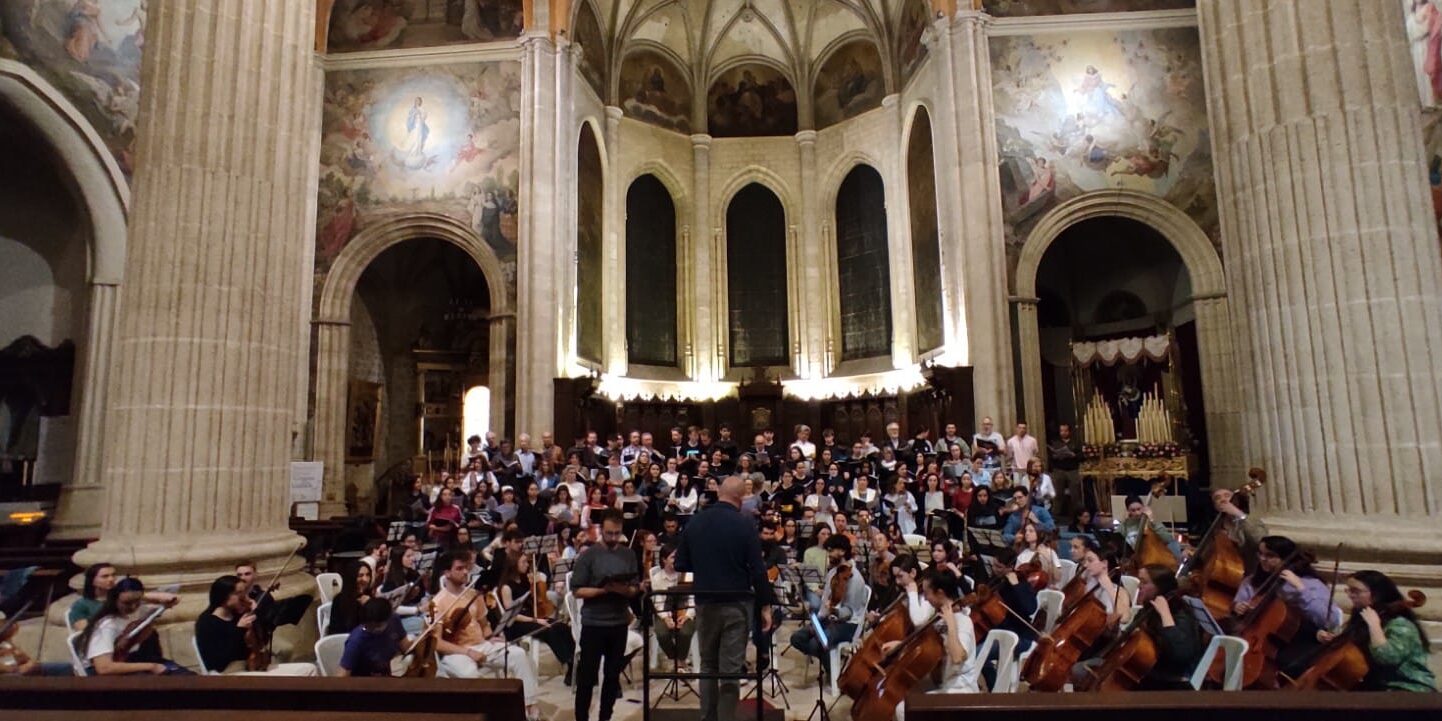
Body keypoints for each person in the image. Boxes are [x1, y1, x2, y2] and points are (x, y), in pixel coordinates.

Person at [676, 476, 775, 721]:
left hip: (705, 603)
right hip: (736, 605)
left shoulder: (696, 522)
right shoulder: (744, 525)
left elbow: (681, 563)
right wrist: (765, 605)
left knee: (708, 666)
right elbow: (758, 569)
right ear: (739, 499)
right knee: (729, 671)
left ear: (720, 492)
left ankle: (706, 718)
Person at [432, 551, 540, 718]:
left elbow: (484, 625)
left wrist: (492, 637)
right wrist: (468, 652)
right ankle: (487, 715)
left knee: (518, 654)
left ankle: (529, 707)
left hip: (481, 645)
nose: (465, 572)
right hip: (456, 653)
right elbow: (437, 643)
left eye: (466, 568)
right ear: (447, 573)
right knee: (470, 674)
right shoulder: (438, 602)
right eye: (459, 569)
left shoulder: (474, 594)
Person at [571, 510, 642, 721]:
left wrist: (625, 590)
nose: (612, 538)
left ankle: (605, 716)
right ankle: (581, 717)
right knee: (587, 677)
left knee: (612, 677)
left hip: (618, 622)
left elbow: (634, 588)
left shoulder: (628, 554)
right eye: (609, 533)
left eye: (617, 534)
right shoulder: (589, 555)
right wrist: (604, 590)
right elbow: (577, 590)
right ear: (601, 530)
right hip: (594, 623)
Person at [1315, 570, 1436, 692]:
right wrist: (1333, 639)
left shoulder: (1401, 626)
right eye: (1348, 590)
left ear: (1377, 594)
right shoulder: (1360, 619)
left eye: (1355, 591)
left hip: (1408, 690)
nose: (1350, 595)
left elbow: (1386, 658)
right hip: (1377, 688)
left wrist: (1374, 626)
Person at [1230, 535, 1331, 678]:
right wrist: (1237, 607)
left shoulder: (1312, 585)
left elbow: (1323, 618)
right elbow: (1237, 603)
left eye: (1270, 556)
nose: (1263, 559)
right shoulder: (1252, 581)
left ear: (1286, 559)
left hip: (1296, 641)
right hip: (1252, 634)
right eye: (1261, 554)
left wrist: (1301, 589)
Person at [892, 568, 979, 720]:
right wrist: (901, 645)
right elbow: (926, 646)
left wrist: (951, 623)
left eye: (927, 593)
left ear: (939, 593)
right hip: (944, 684)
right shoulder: (938, 619)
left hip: (961, 691)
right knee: (904, 697)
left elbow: (958, 657)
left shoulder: (963, 622)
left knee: (903, 709)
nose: (925, 598)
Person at [195, 575, 317, 675]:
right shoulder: (207, 622)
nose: (244, 597)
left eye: (244, 592)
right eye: (239, 593)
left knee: (309, 669)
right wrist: (239, 630)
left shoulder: (238, 614)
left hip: (252, 666)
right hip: (229, 672)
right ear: (224, 597)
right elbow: (217, 662)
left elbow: (261, 642)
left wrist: (257, 614)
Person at [78, 578, 191, 676]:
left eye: (137, 601)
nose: (133, 607)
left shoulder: (134, 613)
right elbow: (104, 668)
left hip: (134, 659)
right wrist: (151, 666)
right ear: (115, 599)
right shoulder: (107, 626)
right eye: (127, 603)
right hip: (112, 674)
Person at [789, 534, 866, 672]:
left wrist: (834, 611)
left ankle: (834, 673)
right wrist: (817, 620)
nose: (828, 555)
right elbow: (825, 602)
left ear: (842, 551)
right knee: (797, 638)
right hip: (828, 620)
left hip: (849, 625)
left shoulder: (855, 579)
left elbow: (850, 612)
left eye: (831, 551)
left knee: (815, 644)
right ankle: (832, 666)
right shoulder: (832, 573)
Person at [498, 551, 575, 684]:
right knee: (550, 630)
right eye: (523, 562)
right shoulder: (506, 587)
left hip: (530, 618)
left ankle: (574, 663)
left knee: (561, 626)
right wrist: (535, 620)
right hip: (516, 625)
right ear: (513, 564)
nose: (527, 565)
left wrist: (535, 584)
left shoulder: (524, 580)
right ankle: (568, 662)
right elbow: (511, 615)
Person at [1124, 564, 1205, 690]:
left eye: (1144, 582)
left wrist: (1165, 614)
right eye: (1139, 581)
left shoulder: (1180, 613)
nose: (1139, 586)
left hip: (1168, 685)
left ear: (1160, 588)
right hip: (1146, 677)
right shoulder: (1147, 609)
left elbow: (1182, 654)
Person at [68, 563, 177, 632]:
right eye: (105, 576)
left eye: (113, 575)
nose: (111, 579)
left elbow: (158, 597)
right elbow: (82, 629)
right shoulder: (82, 604)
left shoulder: (119, 598)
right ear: (92, 580)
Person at [650, 543, 695, 667]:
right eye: (673, 557)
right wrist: (666, 618)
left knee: (685, 633)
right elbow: (657, 601)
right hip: (665, 613)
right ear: (664, 559)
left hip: (686, 612)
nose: (677, 560)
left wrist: (687, 615)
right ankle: (675, 658)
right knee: (662, 633)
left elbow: (693, 599)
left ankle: (680, 662)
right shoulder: (657, 578)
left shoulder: (687, 575)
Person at [338, 598, 406, 677]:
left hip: (392, 671)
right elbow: (343, 674)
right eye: (370, 626)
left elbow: (405, 645)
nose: (374, 629)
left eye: (378, 626)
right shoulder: (356, 641)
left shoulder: (394, 619)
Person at [1209, 485, 1268, 571]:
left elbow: (1260, 540)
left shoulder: (1251, 519)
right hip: (1226, 570)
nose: (1223, 499)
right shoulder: (1217, 526)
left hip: (1249, 570)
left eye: (1227, 496)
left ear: (1235, 500)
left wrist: (1239, 514)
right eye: (1217, 498)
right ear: (1215, 506)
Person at [1118, 495, 1181, 561]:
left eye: (1139, 509)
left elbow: (1168, 539)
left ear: (1143, 508)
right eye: (1133, 510)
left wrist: (1152, 520)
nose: (1137, 513)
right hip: (1133, 561)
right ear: (1128, 511)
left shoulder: (1151, 522)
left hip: (1152, 559)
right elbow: (1115, 541)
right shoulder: (1124, 525)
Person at [327, 560, 374, 636]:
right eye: (360, 575)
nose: (365, 579)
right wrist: (368, 607)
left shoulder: (368, 595)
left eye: (368, 575)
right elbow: (350, 627)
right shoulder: (340, 600)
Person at [1046, 423, 1082, 517]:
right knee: (1057, 494)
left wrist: (1074, 455)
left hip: (1072, 470)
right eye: (1061, 431)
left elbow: (1082, 456)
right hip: (1059, 470)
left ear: (1069, 431)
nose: (1063, 433)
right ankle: (1055, 516)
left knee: (1075, 495)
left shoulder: (1076, 442)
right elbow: (1050, 457)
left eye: (1065, 431)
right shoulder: (1055, 442)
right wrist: (1055, 456)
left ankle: (1077, 516)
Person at [1005, 422, 1039, 487]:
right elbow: (1009, 456)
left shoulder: (1032, 440)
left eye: (1024, 428)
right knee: (1018, 489)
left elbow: (1035, 455)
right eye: (1020, 428)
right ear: (1016, 429)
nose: (1022, 430)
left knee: (1029, 488)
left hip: (1028, 470)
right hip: (1017, 471)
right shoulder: (1011, 441)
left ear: (1026, 429)